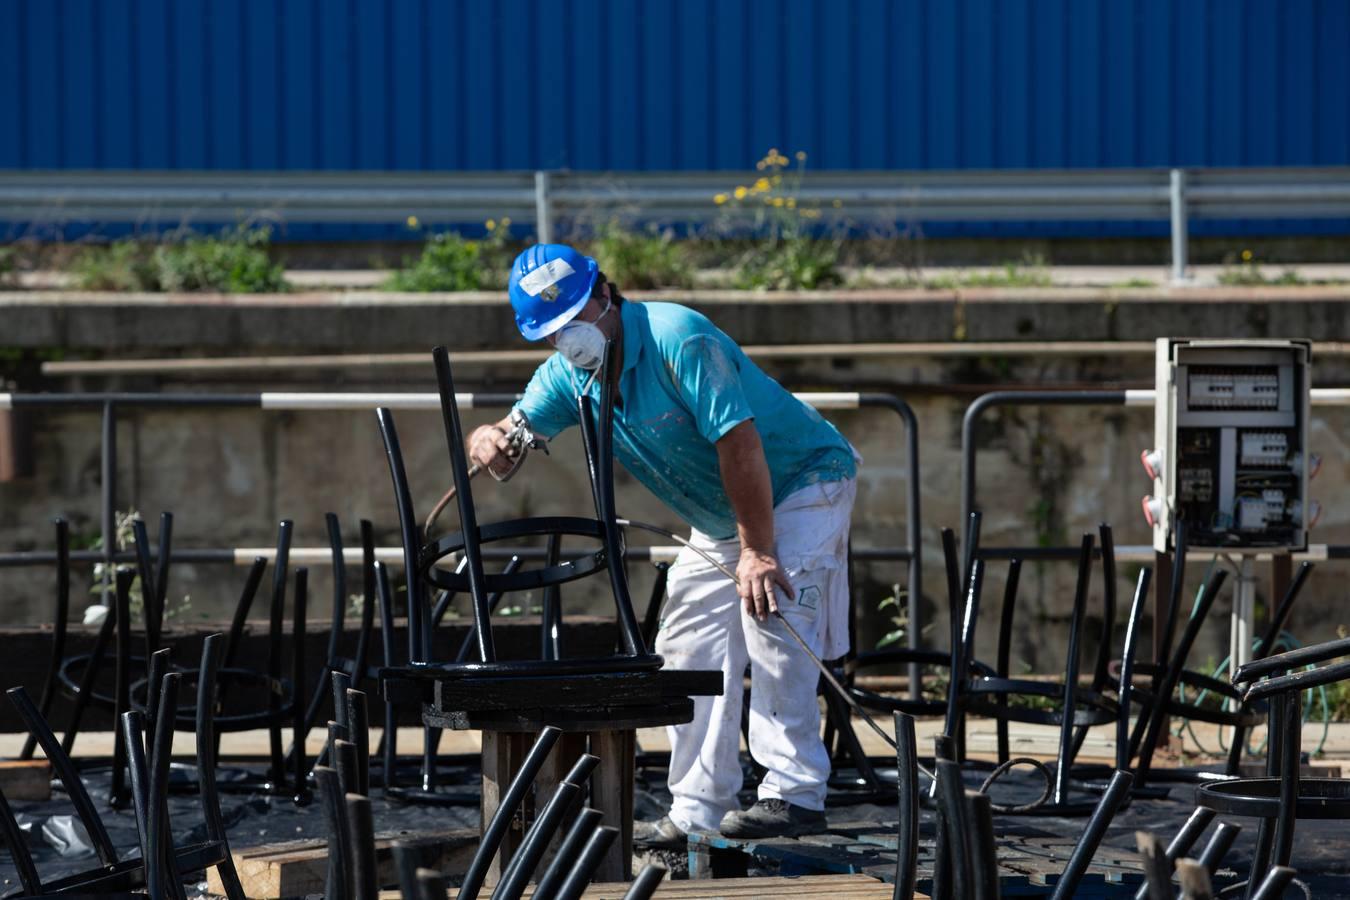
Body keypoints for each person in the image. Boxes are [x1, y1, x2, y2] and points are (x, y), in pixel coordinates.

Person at [468, 243, 859, 843]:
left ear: (605, 295)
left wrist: (759, 551)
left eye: (576, 320)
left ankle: (793, 793)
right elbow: (513, 433)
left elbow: (740, 445)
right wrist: (491, 438)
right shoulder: (568, 378)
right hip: (727, 510)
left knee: (772, 611)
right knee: (687, 642)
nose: (570, 338)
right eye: (553, 331)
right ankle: (698, 809)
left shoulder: (679, 337)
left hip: (802, 480)